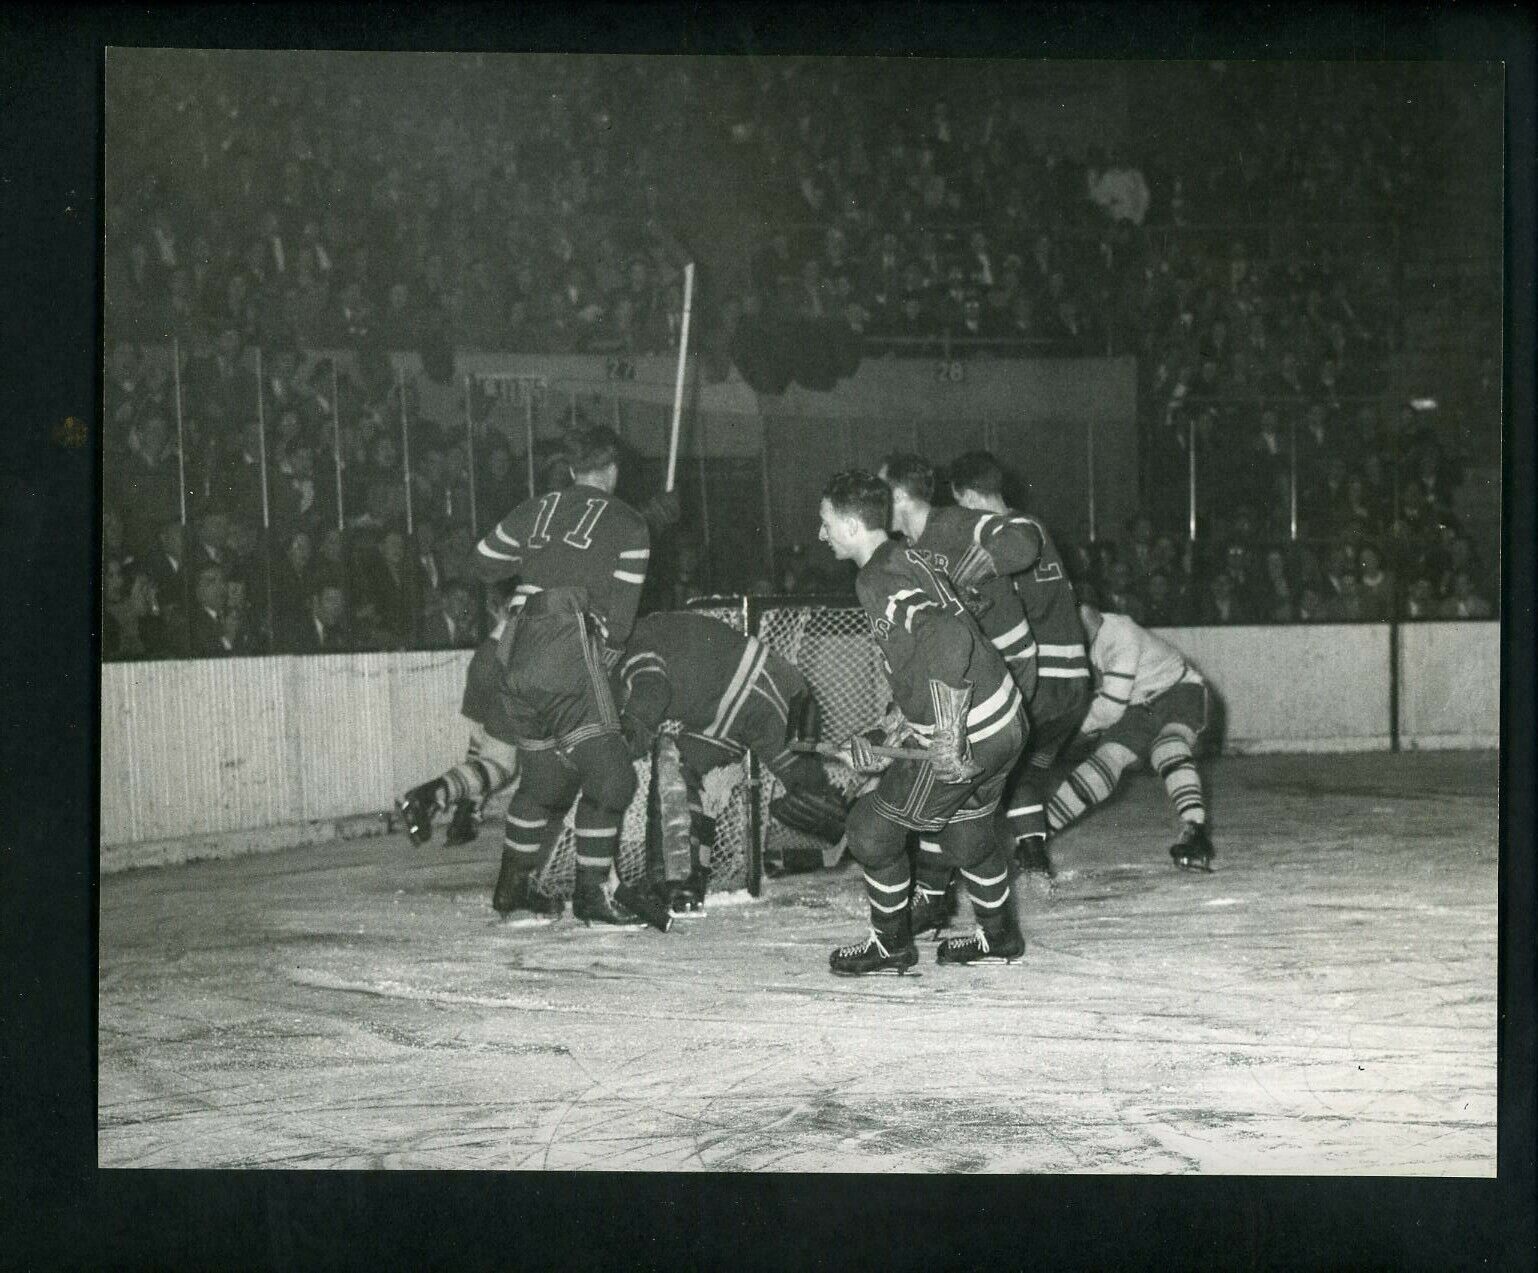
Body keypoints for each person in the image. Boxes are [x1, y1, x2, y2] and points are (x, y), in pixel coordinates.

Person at [817, 470, 1027, 975]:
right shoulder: (905, 557)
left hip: (971, 729)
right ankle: (998, 937)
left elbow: (951, 642)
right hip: (1006, 721)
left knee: (870, 831)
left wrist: (949, 733)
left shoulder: (876, 577)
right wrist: (885, 734)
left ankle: (890, 944)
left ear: (849, 526)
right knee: (965, 838)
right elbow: (926, 659)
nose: (820, 535)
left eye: (824, 523)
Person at [470, 426, 671, 930]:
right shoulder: (629, 523)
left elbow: (483, 562)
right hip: (566, 645)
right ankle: (590, 895)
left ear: (572, 468)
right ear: (613, 469)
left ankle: (511, 888)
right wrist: (598, 670)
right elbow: (621, 622)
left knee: (544, 778)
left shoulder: (537, 506)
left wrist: (546, 555)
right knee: (613, 777)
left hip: (512, 646)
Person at [879, 452, 1042, 927]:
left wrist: (986, 564)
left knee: (954, 780)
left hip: (1003, 667)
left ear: (898, 495)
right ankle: (938, 894)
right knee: (947, 777)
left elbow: (1025, 536)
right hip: (964, 673)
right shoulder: (901, 553)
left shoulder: (954, 523)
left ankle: (935, 895)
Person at [614, 610, 849, 914]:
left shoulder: (626, 644)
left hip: (760, 684)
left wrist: (619, 744)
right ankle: (678, 882)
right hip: (718, 712)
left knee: (810, 793)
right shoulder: (609, 653)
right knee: (677, 767)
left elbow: (652, 692)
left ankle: (877, 835)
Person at [947, 450, 1091, 877]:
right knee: (1022, 768)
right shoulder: (1035, 527)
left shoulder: (1000, 539)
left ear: (967, 494)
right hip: (1075, 681)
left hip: (1038, 678)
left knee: (977, 763)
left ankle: (948, 867)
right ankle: (1032, 847)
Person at [395, 582, 548, 877]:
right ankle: (430, 795)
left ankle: (465, 813)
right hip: (510, 667)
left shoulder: (522, 594)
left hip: (486, 658)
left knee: (484, 749)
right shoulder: (544, 594)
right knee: (501, 765)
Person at [1047, 604, 1215, 871]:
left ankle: (1195, 829)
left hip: (1177, 690)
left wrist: (1064, 737)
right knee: (1105, 759)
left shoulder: (1120, 636)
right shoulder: (1078, 637)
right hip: (1136, 706)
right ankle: (1039, 834)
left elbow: (1109, 709)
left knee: (1168, 745)